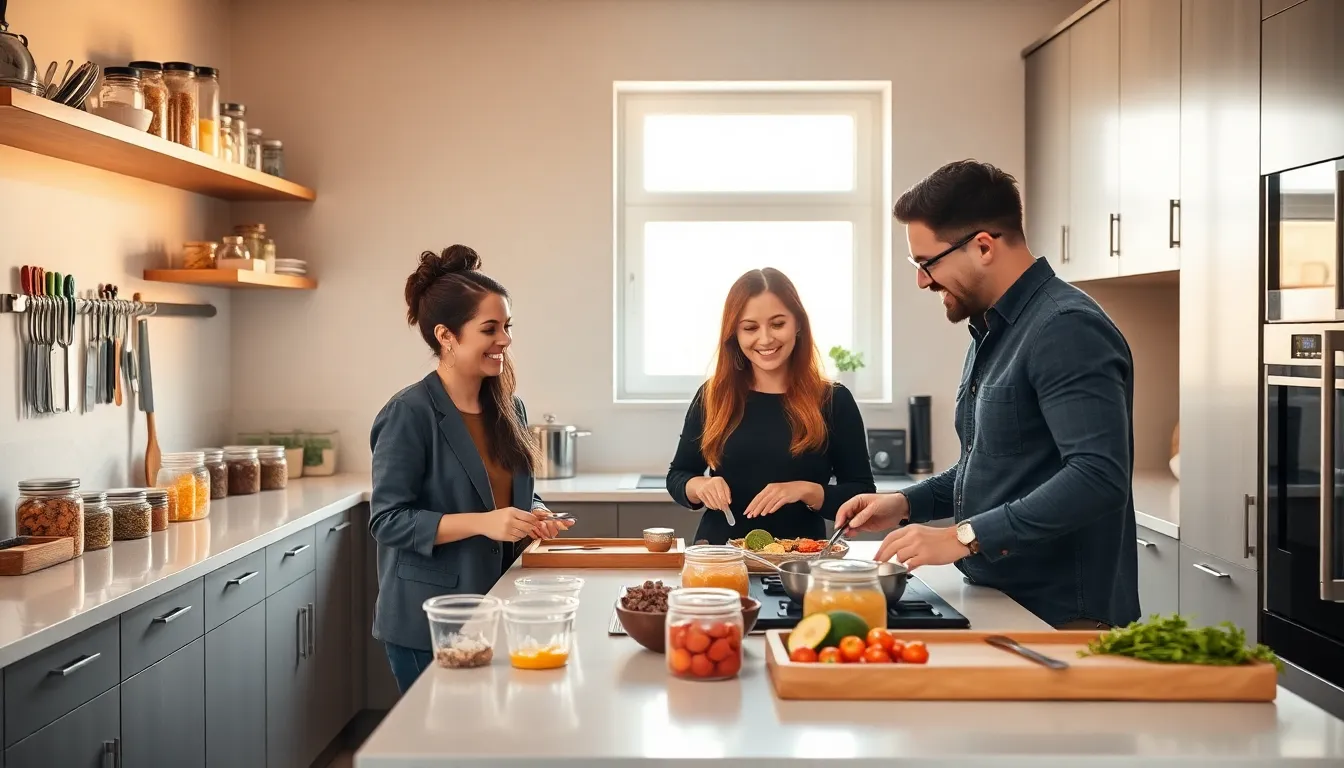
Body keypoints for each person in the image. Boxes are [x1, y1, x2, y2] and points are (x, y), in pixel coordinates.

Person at [836, 160, 1140, 631]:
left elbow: (1098, 477)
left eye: (927, 263)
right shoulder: (992, 331)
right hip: (1001, 601)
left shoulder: (1065, 328)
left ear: (982, 246)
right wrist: (906, 504)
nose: (922, 280)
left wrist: (963, 536)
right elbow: (994, 462)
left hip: (1061, 617)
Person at [369, 245, 573, 693]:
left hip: (499, 607)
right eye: (490, 328)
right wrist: (487, 524)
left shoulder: (509, 407)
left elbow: (506, 496)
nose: (505, 339)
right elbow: (387, 521)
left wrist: (532, 514)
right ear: (447, 335)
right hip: (432, 620)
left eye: (507, 327)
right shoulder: (410, 412)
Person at [666, 267, 876, 545]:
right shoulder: (713, 395)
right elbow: (679, 475)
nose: (765, 339)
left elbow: (862, 494)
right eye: (750, 328)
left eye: (777, 324)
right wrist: (700, 486)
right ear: (735, 334)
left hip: (800, 563)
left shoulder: (834, 400)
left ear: (798, 324)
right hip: (720, 558)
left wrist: (806, 491)